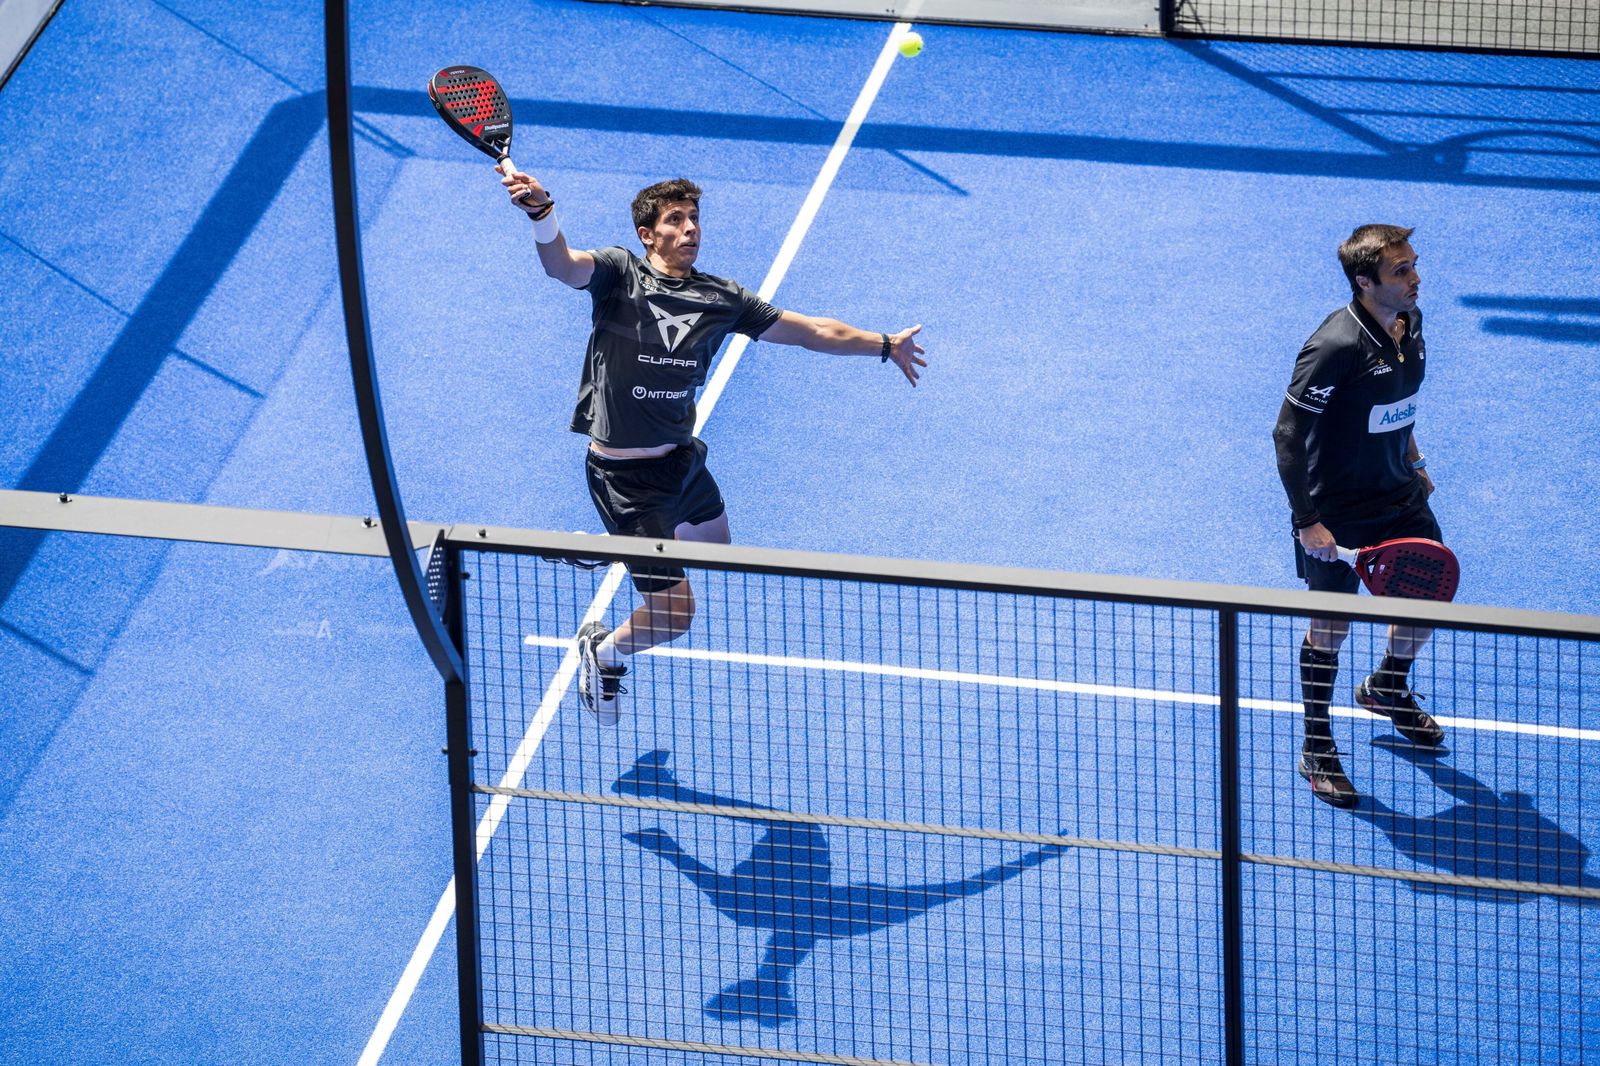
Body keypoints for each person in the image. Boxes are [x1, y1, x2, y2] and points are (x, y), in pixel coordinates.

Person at [500, 169, 926, 724]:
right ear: (646, 233)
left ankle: (606, 548)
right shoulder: (618, 274)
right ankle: (602, 652)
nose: (690, 228)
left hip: (680, 460)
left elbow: (811, 330)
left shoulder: (720, 297)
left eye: (694, 218)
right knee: (676, 616)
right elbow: (561, 265)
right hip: (626, 482)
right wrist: (541, 213)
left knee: (715, 545)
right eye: (675, 219)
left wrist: (885, 344)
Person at [1273, 224, 1447, 809]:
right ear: (1364, 281)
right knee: (1330, 626)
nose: (1415, 278)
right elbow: (1288, 435)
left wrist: (1415, 458)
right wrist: (1307, 521)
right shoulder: (1335, 346)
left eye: (1414, 265)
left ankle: (1386, 687)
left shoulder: (1411, 322)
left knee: (1427, 595)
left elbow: (1398, 403)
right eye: (1401, 271)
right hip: (1338, 512)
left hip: (1400, 496)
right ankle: (1317, 745)